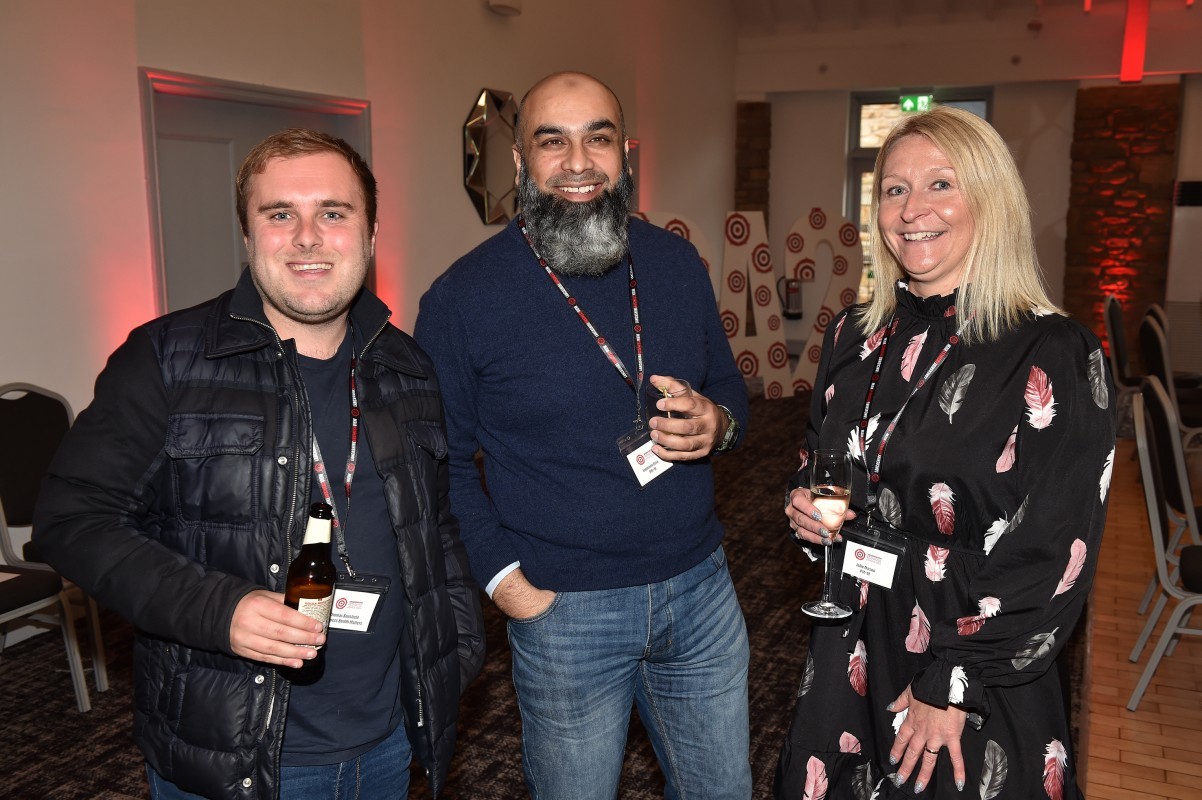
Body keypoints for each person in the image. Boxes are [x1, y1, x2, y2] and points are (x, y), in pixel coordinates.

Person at [33, 128, 485, 800]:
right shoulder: (167, 361)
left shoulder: (408, 367)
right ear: (247, 235)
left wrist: (458, 645)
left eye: (333, 212)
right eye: (280, 215)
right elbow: (72, 521)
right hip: (232, 757)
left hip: (388, 744)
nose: (307, 237)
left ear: (370, 233)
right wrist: (221, 609)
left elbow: (435, 526)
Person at [414, 71, 753, 799]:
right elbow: (440, 467)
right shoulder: (462, 298)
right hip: (566, 610)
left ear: (624, 153)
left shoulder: (675, 264)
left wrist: (719, 424)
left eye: (597, 138)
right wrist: (510, 589)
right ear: (520, 162)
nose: (578, 163)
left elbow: (729, 388)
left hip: (701, 590)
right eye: (552, 142)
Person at [776, 106, 1115, 800]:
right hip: (853, 639)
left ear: (990, 200)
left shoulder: (1053, 351)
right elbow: (822, 462)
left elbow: (1053, 549)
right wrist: (807, 514)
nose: (912, 210)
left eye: (940, 184)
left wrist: (954, 681)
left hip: (972, 662)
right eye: (894, 189)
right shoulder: (852, 335)